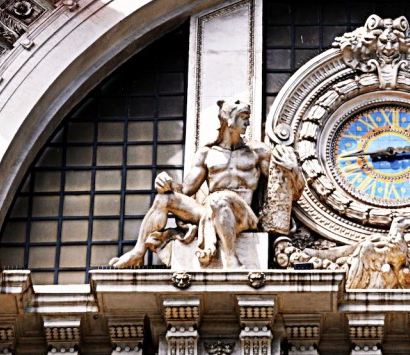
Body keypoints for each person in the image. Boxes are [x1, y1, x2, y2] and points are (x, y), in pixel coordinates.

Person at [110, 98, 304, 269]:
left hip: (245, 217)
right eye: (243, 116)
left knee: (220, 199)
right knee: (165, 198)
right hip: (211, 210)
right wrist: (166, 183)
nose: (247, 122)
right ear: (229, 120)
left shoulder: (258, 152)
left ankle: (230, 258)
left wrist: (293, 170)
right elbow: (185, 190)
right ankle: (138, 251)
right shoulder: (206, 154)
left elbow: (288, 194)